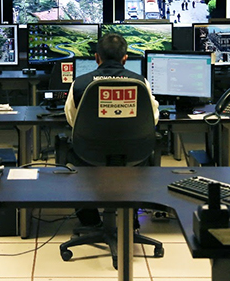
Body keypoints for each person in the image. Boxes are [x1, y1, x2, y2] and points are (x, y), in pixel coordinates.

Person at [64, 33, 159, 227]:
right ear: (125, 58)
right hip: (133, 154)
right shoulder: (141, 82)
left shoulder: (79, 83)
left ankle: (90, 222)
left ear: (96, 57)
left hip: (89, 154)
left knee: (68, 150)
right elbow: (152, 119)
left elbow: (73, 121)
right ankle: (130, 220)